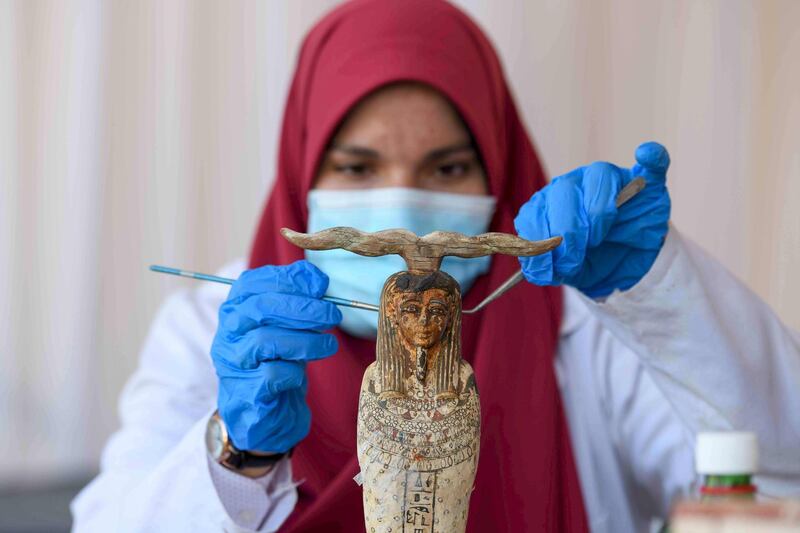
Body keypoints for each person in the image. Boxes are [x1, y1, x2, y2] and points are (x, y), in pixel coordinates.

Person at [71, 1, 800, 532]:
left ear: (500, 170)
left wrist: (661, 288)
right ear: (302, 173)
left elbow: (772, 482)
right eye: (358, 167)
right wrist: (239, 453)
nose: (402, 216)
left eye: (447, 166)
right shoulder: (214, 330)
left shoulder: (583, 324)